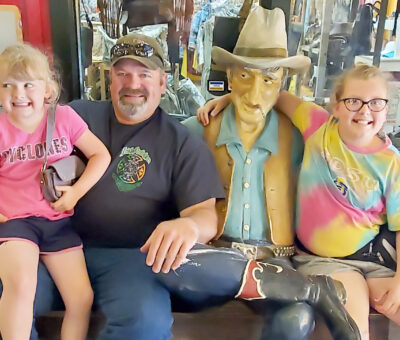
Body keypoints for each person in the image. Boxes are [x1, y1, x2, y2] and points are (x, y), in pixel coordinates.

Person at [30, 30, 359, 340]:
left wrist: (187, 226)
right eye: (123, 74)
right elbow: (20, 138)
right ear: (109, 78)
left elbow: (205, 214)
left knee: (145, 320)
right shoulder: (76, 116)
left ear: (163, 81)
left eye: (145, 74)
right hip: (57, 247)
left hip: (133, 260)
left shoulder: (183, 140)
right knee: (13, 291)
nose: (133, 84)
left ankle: (310, 288)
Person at [198, 63, 400, 339]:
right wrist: (228, 99)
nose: (365, 111)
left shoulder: (391, 162)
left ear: (386, 109)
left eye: (376, 102)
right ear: (336, 106)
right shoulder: (317, 124)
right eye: (354, 101)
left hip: (373, 258)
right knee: (354, 329)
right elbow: (273, 93)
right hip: (327, 261)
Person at [0, 43, 111, 340]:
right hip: (16, 222)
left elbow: (101, 156)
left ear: (47, 89)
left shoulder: (63, 118)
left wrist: (76, 194)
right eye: (7, 85)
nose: (18, 94)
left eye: (28, 85)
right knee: (22, 284)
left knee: (81, 298)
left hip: (58, 221)